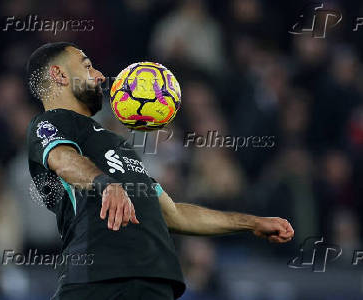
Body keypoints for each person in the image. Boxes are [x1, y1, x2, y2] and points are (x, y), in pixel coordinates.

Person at [25, 42, 294, 300]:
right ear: (58, 74)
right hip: (98, 276)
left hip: (154, 280)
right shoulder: (49, 123)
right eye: (87, 66)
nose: (99, 76)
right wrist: (106, 184)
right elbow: (62, 159)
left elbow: (174, 214)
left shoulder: (115, 143)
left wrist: (252, 223)